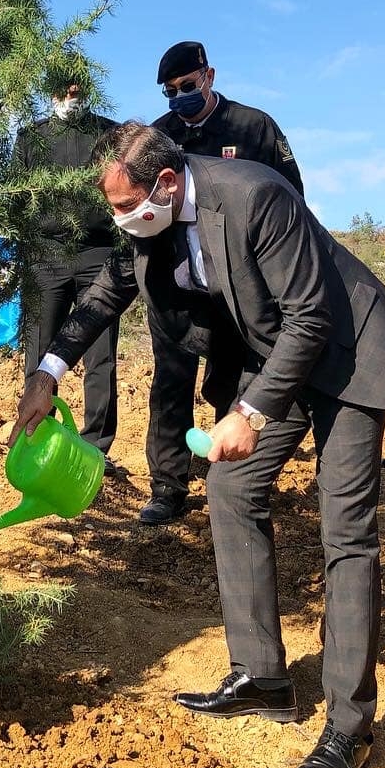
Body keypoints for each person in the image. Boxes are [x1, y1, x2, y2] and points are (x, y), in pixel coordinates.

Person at [14, 122, 385, 768]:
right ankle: (263, 678)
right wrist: (50, 368)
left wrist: (251, 411)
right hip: (282, 359)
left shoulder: (256, 195)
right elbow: (105, 292)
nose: (121, 220)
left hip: (348, 356)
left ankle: (350, 728)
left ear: (167, 183)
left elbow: (311, 316)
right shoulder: (155, 219)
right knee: (232, 491)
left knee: (345, 530)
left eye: (126, 205)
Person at [138, 40, 304, 526]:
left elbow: (290, 199)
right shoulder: (160, 136)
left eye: (186, 86)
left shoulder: (254, 127)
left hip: (236, 288)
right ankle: (167, 487)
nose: (179, 98)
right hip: (177, 287)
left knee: (231, 383)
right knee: (171, 382)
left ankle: (227, 478)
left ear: (208, 77)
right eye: (170, 92)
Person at [15, 74, 120, 465]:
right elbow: (17, 199)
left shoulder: (108, 135)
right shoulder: (30, 138)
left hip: (99, 254)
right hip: (46, 256)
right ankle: (38, 437)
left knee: (101, 356)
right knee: (40, 352)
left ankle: (96, 448)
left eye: (78, 90)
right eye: (64, 89)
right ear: (51, 90)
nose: (71, 97)